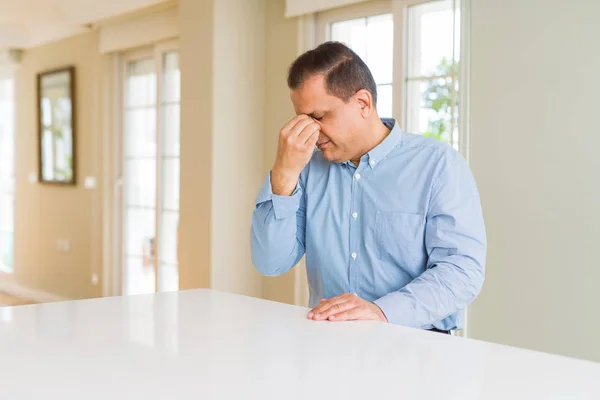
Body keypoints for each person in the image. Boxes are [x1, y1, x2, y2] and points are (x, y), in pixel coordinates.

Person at [250, 41, 486, 333]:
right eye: (302, 118)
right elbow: (269, 262)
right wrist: (284, 174)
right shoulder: (305, 170)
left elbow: (462, 272)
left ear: (363, 103)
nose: (311, 131)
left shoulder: (437, 165)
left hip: (417, 353)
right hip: (329, 349)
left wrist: (381, 312)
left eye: (320, 117)